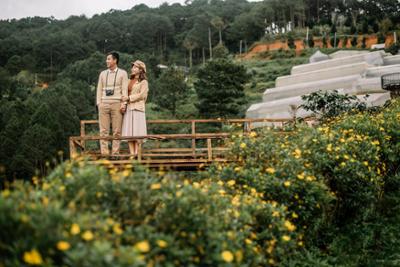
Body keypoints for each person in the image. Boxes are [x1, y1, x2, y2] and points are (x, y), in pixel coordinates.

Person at [96, 52, 129, 156]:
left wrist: (124, 104)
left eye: (109, 59)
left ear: (115, 60)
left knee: (117, 131)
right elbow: (99, 89)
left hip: (117, 104)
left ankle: (115, 153)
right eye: (107, 59)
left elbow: (125, 89)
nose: (107, 61)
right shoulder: (102, 73)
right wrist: (99, 104)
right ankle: (104, 153)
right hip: (104, 104)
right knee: (103, 131)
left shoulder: (123, 73)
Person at [121, 60, 149, 156]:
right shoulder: (129, 81)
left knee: (137, 132)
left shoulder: (144, 82)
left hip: (138, 109)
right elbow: (125, 94)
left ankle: (137, 153)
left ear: (141, 70)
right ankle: (132, 154)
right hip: (128, 108)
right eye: (132, 67)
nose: (132, 69)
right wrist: (123, 104)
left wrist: (129, 98)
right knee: (130, 132)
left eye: (135, 67)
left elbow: (142, 95)